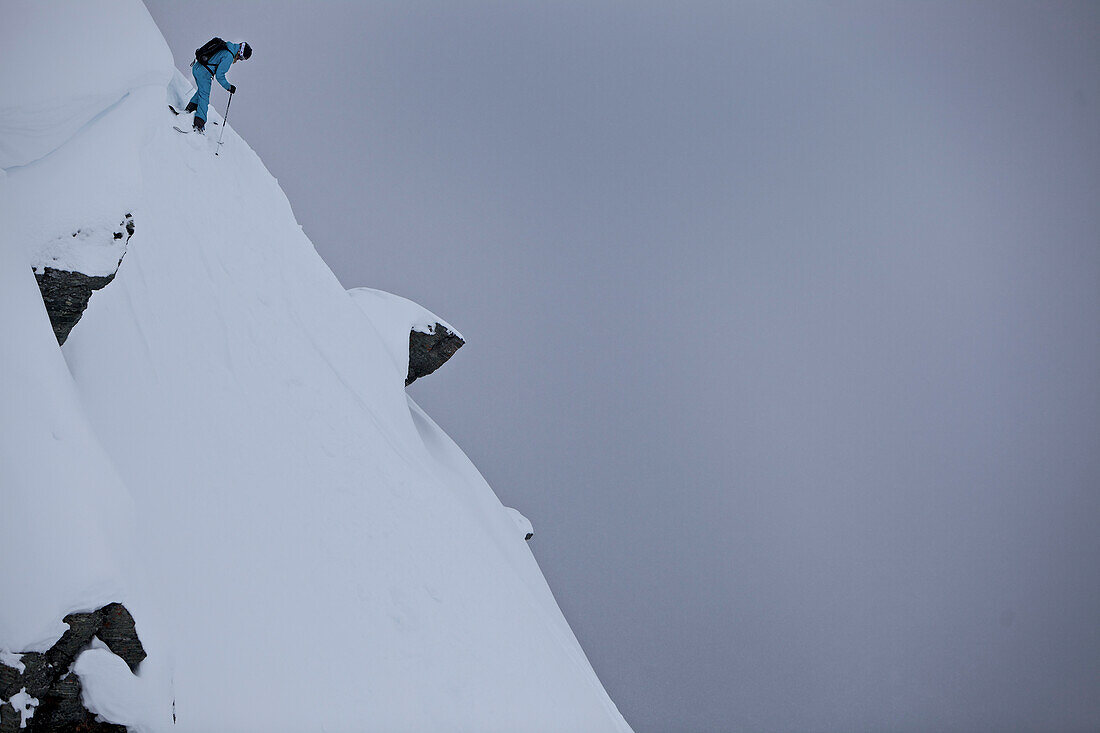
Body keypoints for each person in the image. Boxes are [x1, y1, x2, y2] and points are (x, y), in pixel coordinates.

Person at [184, 40, 252, 133]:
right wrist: (229, 87)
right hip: (204, 72)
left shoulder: (227, 46)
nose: (240, 60)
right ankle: (199, 125)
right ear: (240, 53)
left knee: (202, 92)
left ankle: (189, 109)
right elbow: (220, 75)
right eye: (242, 58)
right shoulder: (229, 56)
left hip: (198, 67)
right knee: (204, 97)